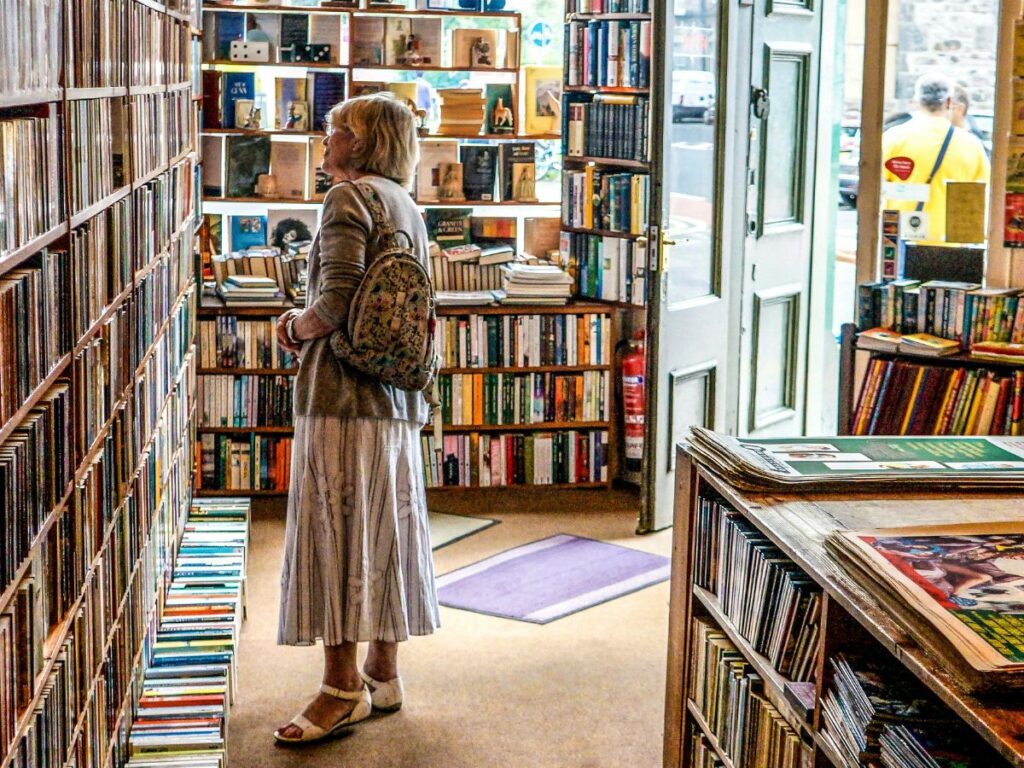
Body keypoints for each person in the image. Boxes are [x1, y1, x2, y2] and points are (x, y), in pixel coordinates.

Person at [272, 92, 439, 744]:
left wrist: (292, 325)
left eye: (335, 129)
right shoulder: (406, 205)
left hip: (342, 397)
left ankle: (340, 689)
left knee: (334, 534)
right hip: (395, 395)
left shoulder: (346, 199)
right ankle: (383, 671)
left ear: (361, 142)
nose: (324, 136)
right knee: (386, 532)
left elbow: (334, 302)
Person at [881, 73, 989, 242]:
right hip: (950, 244)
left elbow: (876, 190)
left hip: (899, 240)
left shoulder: (892, 138)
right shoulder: (971, 145)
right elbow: (979, 197)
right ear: (948, 102)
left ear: (916, 101)